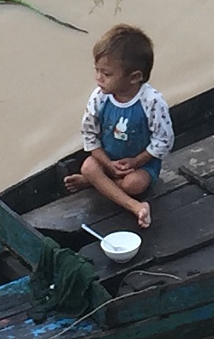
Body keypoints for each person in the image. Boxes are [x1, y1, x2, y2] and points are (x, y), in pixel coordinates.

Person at [63, 23, 174, 229]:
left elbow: (163, 140)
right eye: (97, 70)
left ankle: (94, 183)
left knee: (134, 184)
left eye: (106, 74)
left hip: (140, 165)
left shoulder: (152, 101)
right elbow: (89, 135)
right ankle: (134, 206)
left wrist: (136, 161)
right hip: (108, 161)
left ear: (135, 77)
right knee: (88, 166)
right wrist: (107, 163)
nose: (99, 78)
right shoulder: (99, 98)